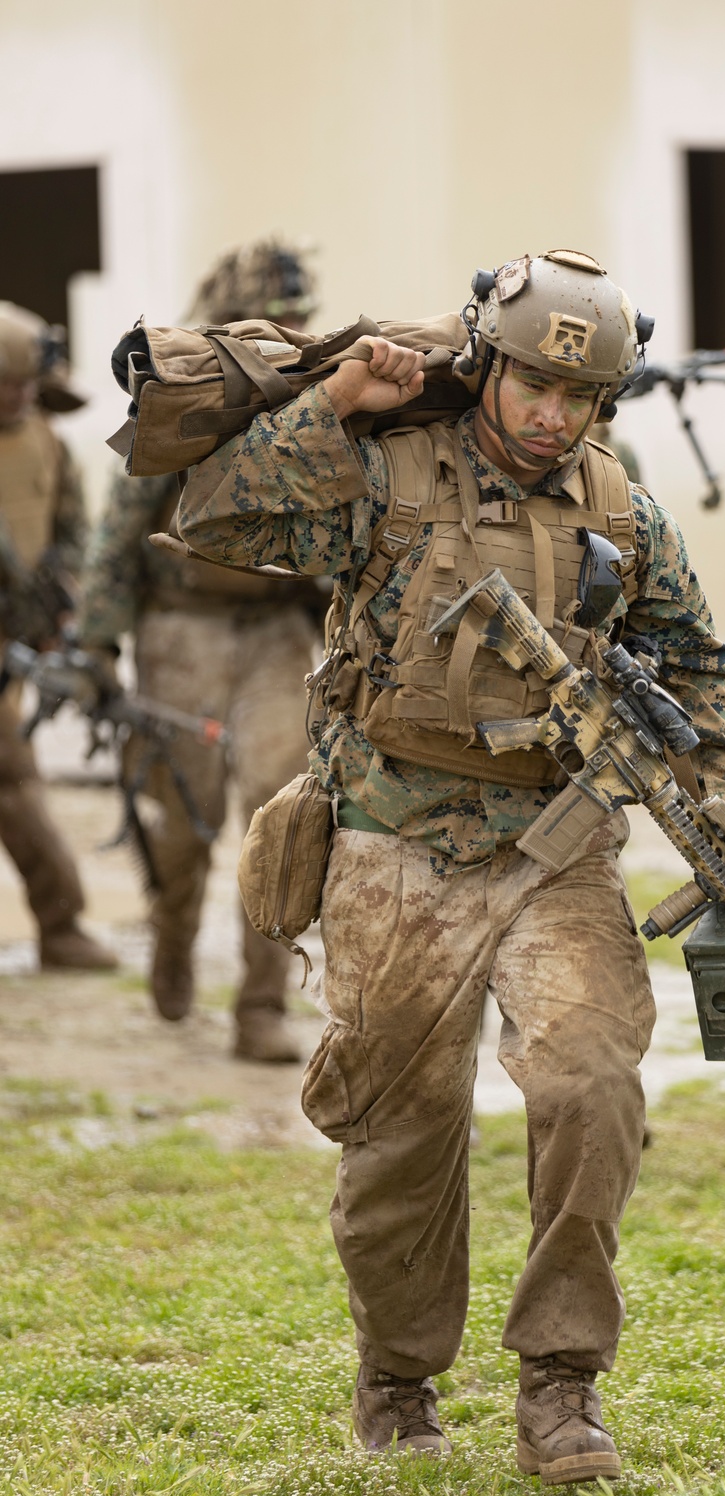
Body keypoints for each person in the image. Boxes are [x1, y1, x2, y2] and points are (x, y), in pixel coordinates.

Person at [176, 250, 725, 1484]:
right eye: (533, 386)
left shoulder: (619, 509)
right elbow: (212, 516)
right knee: (402, 1126)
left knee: (591, 1085)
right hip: (395, 846)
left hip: (553, 850)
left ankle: (560, 1384)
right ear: (489, 366)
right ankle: (397, 1371)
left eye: (580, 396)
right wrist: (330, 407)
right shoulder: (386, 471)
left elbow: (695, 665)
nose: (553, 416)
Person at [77, 239, 327, 1062]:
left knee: (278, 810)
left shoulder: (326, 394)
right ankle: (172, 933)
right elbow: (120, 533)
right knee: (187, 818)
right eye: (274, 317)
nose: (288, 332)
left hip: (275, 633)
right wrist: (98, 644)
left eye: (297, 319)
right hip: (180, 629)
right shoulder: (182, 395)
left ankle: (261, 1006)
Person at [0, 303, 117, 971]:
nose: (18, 396)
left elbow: (73, 529)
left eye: (25, 384)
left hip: (19, 635)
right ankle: (61, 923)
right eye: (5, 384)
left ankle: (61, 925)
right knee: (13, 773)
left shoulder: (45, 440)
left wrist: (64, 609)